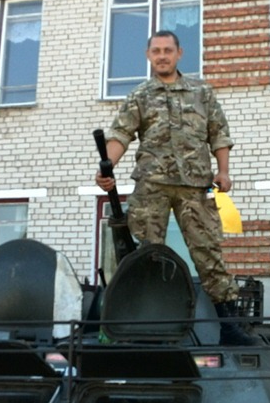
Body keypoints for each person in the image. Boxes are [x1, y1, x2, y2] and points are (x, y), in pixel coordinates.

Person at [95, 30, 258, 346]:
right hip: (152, 186)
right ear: (148, 55)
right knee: (146, 256)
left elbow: (219, 133)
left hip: (196, 186)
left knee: (208, 252)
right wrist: (106, 168)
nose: (162, 56)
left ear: (179, 53)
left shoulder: (201, 92)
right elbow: (121, 135)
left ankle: (230, 328)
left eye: (167, 50)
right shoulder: (140, 95)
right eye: (156, 51)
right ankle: (144, 329)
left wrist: (224, 172)